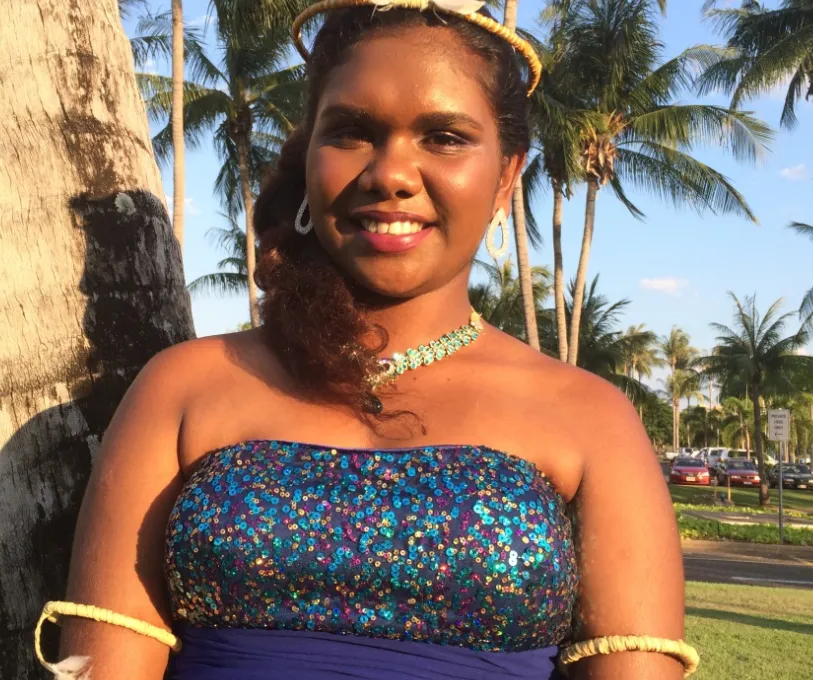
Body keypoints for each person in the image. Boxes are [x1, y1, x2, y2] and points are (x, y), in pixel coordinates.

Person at [35, 2, 693, 679]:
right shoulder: (186, 387)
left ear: (505, 179)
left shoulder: (590, 418)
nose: (391, 173)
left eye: (444, 137)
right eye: (352, 131)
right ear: (308, 153)